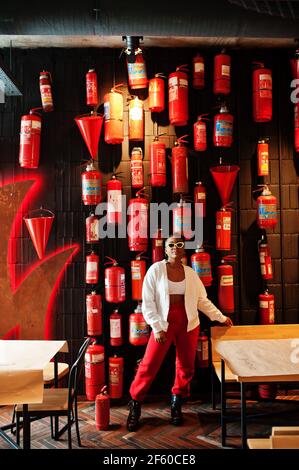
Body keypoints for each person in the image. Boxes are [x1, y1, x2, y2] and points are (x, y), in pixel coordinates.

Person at [127, 235, 233, 431]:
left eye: (179, 245)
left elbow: (202, 300)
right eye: (171, 245)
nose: (175, 247)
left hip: (188, 322)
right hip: (164, 322)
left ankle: (177, 403)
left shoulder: (191, 274)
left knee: (186, 366)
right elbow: (147, 302)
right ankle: (135, 403)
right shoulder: (156, 270)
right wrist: (157, 327)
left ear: (184, 249)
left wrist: (220, 317)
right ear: (166, 249)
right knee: (149, 364)